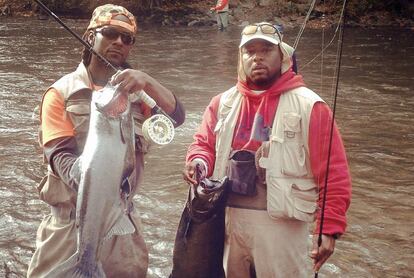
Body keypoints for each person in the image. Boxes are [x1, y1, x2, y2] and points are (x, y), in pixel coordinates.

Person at [27, 4, 185, 278]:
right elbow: (60, 158)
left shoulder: (138, 93)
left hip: (122, 224)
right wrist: (98, 182)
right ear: (90, 37)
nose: (119, 42)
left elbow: (177, 116)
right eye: (111, 33)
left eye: (127, 39)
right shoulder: (60, 94)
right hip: (69, 228)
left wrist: (146, 81)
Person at [183, 22, 351, 277]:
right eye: (250, 51)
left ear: (283, 56)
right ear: (241, 58)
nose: (257, 57)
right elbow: (203, 145)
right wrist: (198, 162)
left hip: (282, 227)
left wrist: (328, 226)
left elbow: (333, 171)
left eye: (266, 50)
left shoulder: (311, 106)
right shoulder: (221, 103)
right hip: (226, 223)